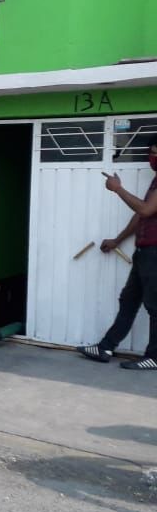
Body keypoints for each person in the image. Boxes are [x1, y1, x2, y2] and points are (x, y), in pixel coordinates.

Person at [77, 147, 157, 370]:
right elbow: (140, 215)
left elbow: (146, 210)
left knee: (154, 306)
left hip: (154, 253)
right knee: (129, 300)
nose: (153, 158)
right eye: (152, 152)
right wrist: (117, 240)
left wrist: (118, 189)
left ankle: (154, 356)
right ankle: (105, 347)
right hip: (144, 252)